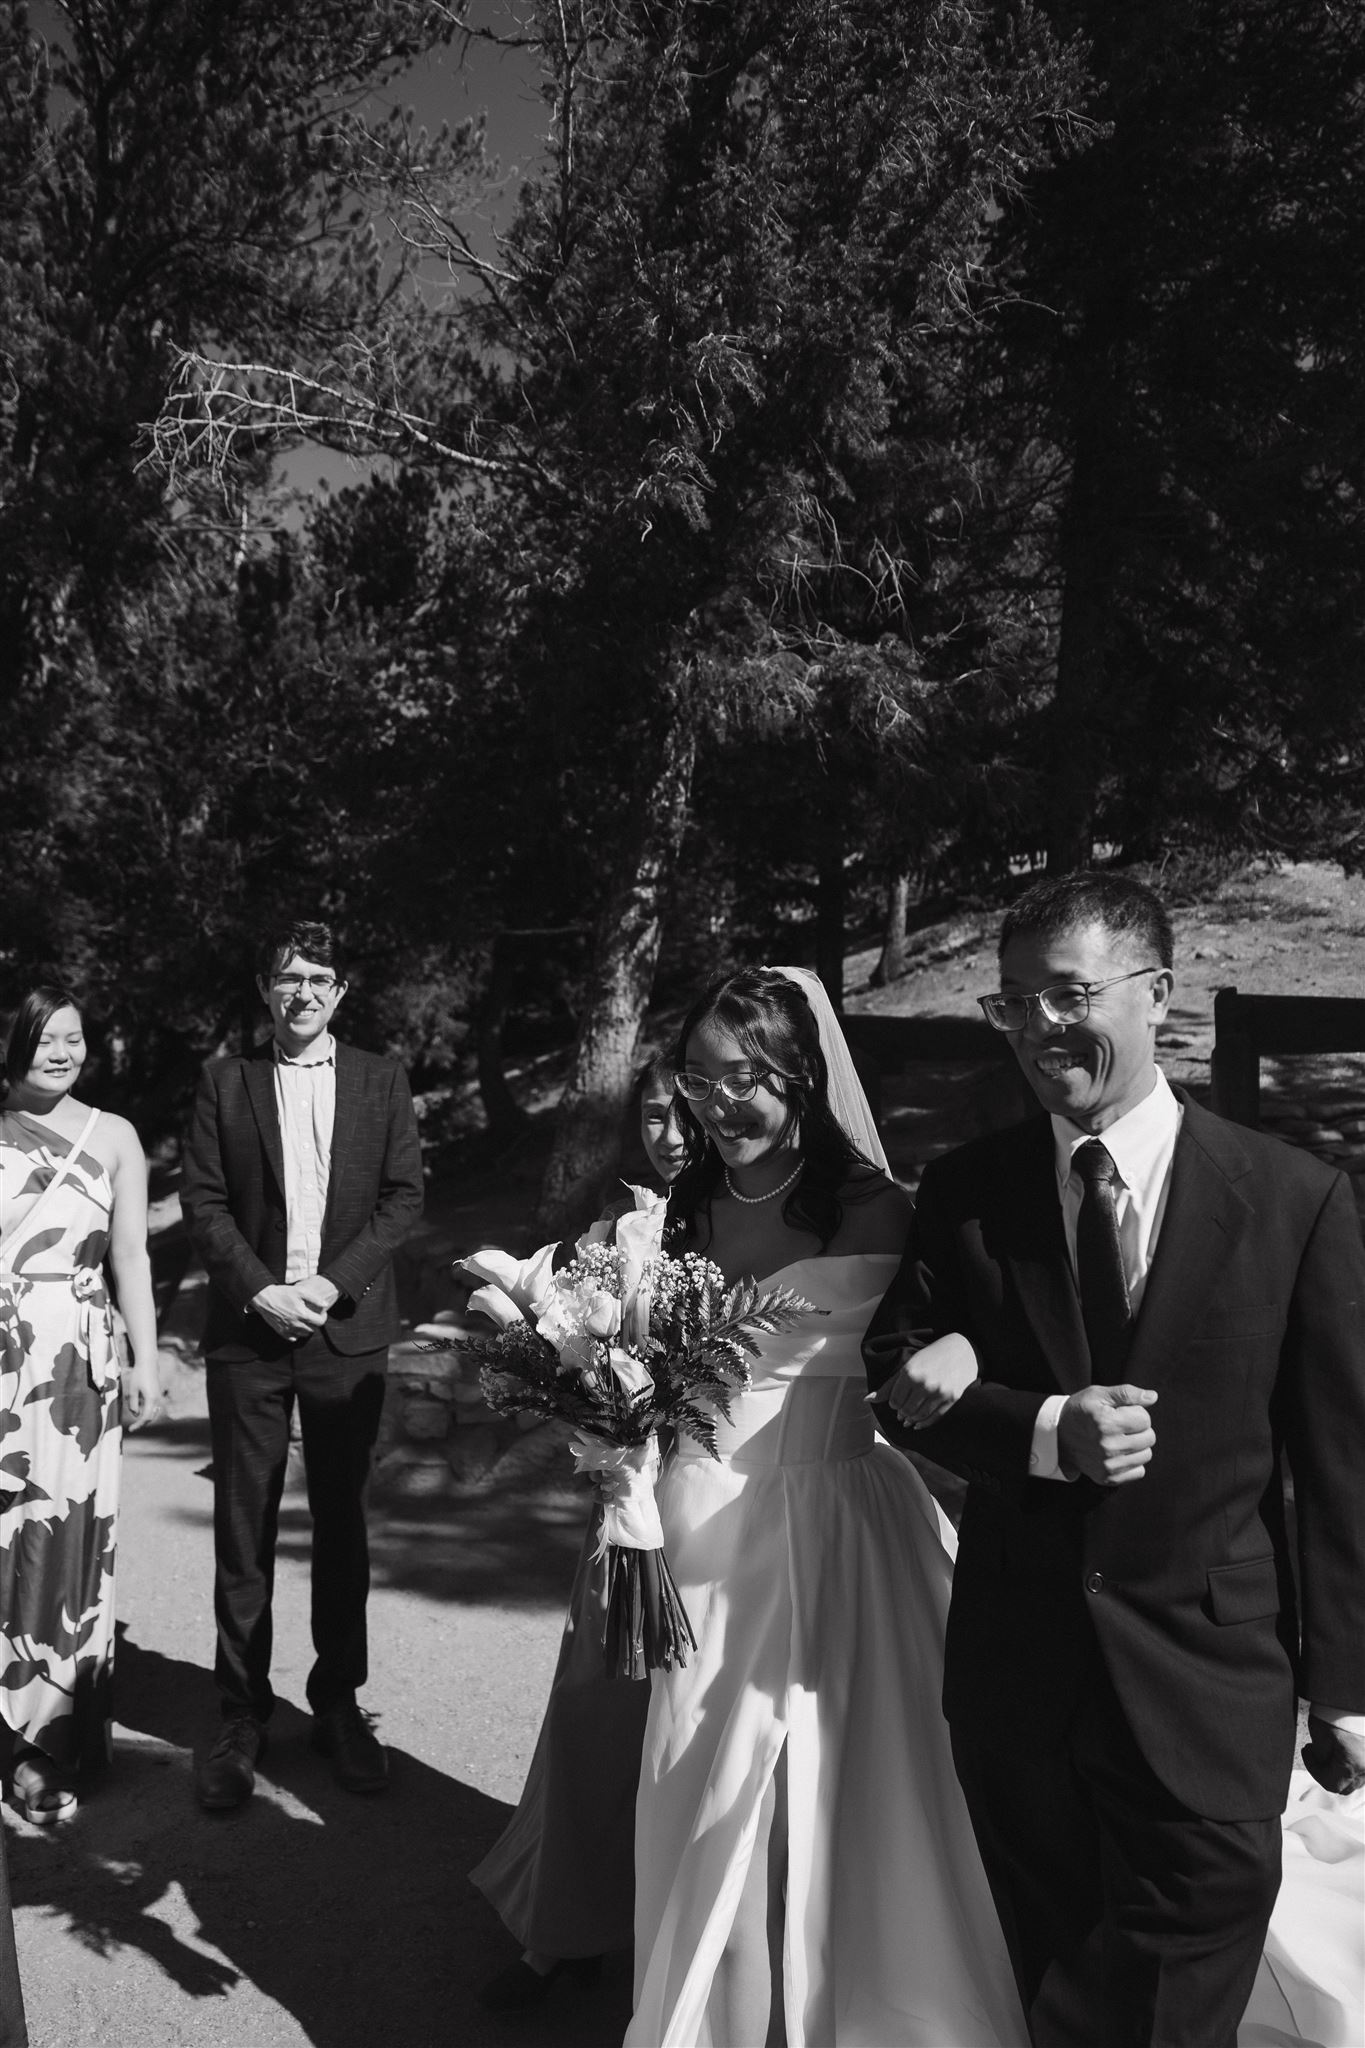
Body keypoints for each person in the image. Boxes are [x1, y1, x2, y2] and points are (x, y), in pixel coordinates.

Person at [864, 870, 1365, 2048]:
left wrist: (1345, 1677)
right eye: (1014, 1002)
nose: (1041, 1026)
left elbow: (1342, 1459)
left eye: (1071, 993)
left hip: (1209, 1673)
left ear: (1159, 995)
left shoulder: (1293, 1197)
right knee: (1059, 1958)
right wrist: (1040, 1430)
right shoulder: (968, 1190)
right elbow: (896, 1380)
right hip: (1018, 1673)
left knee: (1195, 1930)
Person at [626, 967, 1028, 2048]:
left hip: (834, 1522)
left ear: (801, 1072)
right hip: (691, 1519)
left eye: (743, 1077)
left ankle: (844, 1999)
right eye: (697, 1078)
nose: (716, 1102)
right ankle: (723, 2007)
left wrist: (967, 1343)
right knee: (697, 1772)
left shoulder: (885, 1206)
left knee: (831, 1775)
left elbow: (995, 1322)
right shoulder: (683, 1202)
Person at [181, 920, 423, 1810]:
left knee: (341, 1529)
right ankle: (241, 1715)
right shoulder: (224, 1084)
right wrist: (260, 1290)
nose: (305, 993)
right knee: (243, 1536)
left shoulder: (380, 1078)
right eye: (289, 978)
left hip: (345, 1334)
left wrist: (328, 1284)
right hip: (250, 1337)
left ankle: (338, 1704)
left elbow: (403, 1199)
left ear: (341, 992)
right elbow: (203, 1204)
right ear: (264, 989)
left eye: (320, 977)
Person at [469, 1059, 687, 2012]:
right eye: (654, 1116)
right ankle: (567, 1930)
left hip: (727, 1503)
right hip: (629, 1506)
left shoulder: (767, 1222)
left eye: (688, 1113)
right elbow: (565, 1334)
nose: (674, 1134)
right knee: (597, 1707)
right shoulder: (607, 1237)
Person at [0, 987, 160, 1826]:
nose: (61, 1051)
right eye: (43, 1038)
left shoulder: (117, 1137)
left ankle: (44, 1743)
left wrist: (145, 1354)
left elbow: (131, 1253)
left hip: (75, 1370)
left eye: (74, 1038)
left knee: (62, 1538)